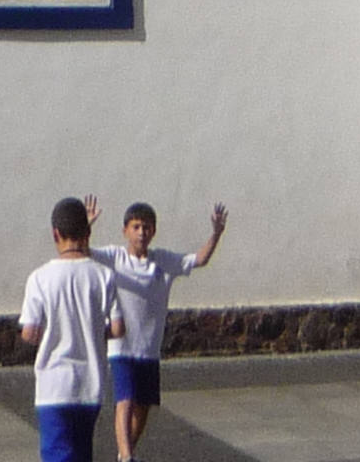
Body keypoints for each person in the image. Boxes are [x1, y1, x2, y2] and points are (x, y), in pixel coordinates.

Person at [101, 199, 227, 461]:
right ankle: (126, 457)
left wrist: (216, 234)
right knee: (125, 400)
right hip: (121, 346)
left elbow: (199, 260)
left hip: (149, 348)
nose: (141, 232)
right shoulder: (115, 257)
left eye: (146, 227)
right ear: (125, 230)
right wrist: (86, 226)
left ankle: (125, 452)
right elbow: (84, 253)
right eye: (136, 227)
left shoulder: (164, 261)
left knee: (143, 407)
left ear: (153, 231)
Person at [20, 196, 116, 462]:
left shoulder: (39, 278)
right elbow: (118, 327)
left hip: (54, 385)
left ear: (55, 233)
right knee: (82, 452)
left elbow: (29, 332)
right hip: (90, 383)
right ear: (87, 233)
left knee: (57, 454)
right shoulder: (103, 275)